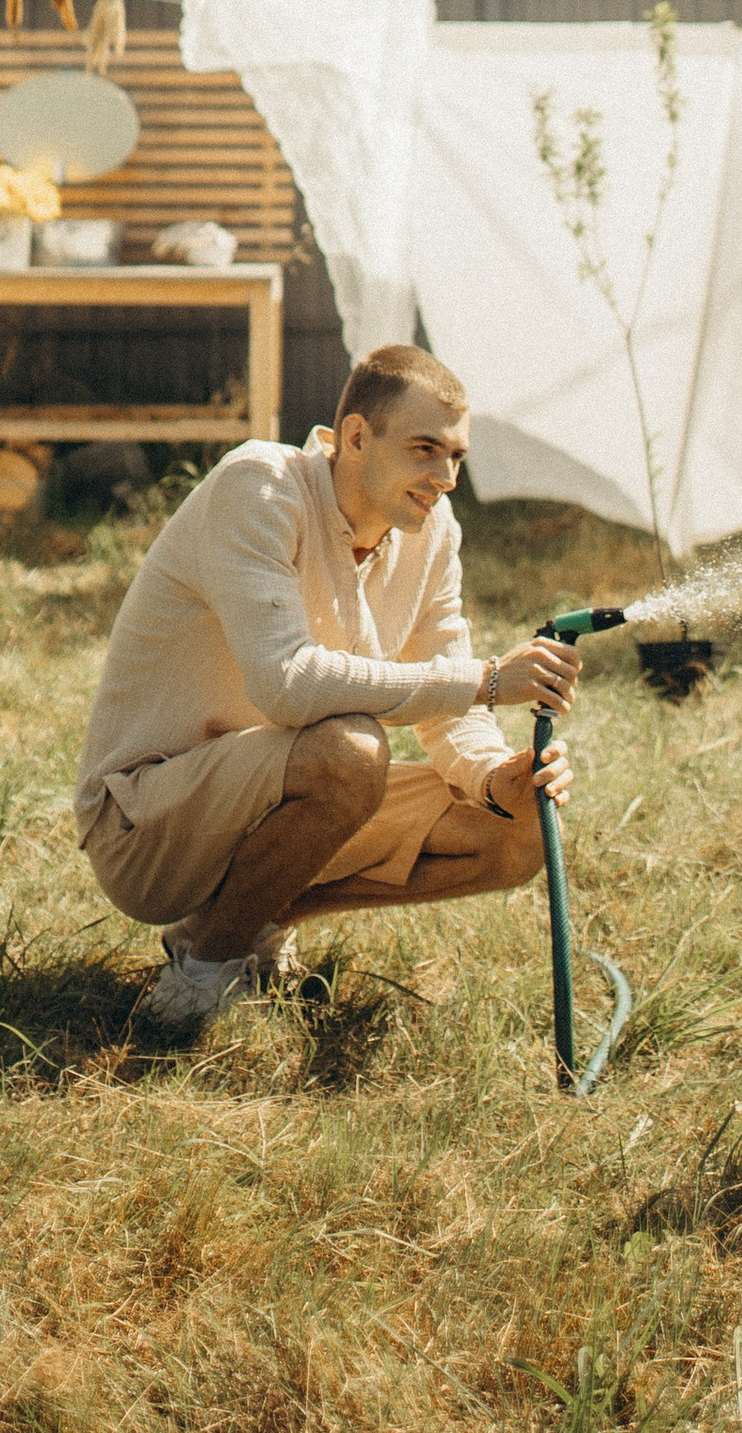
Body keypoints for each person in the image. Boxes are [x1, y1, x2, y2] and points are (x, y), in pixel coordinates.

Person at [74, 342, 583, 1033]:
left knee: (520, 831)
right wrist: (489, 681)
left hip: (275, 792)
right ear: (355, 437)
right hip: (147, 822)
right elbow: (289, 685)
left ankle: (249, 924)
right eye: (425, 449)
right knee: (351, 752)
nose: (446, 477)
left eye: (456, 456)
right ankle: (200, 976)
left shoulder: (434, 536)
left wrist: (499, 778)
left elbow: (450, 716)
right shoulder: (259, 485)